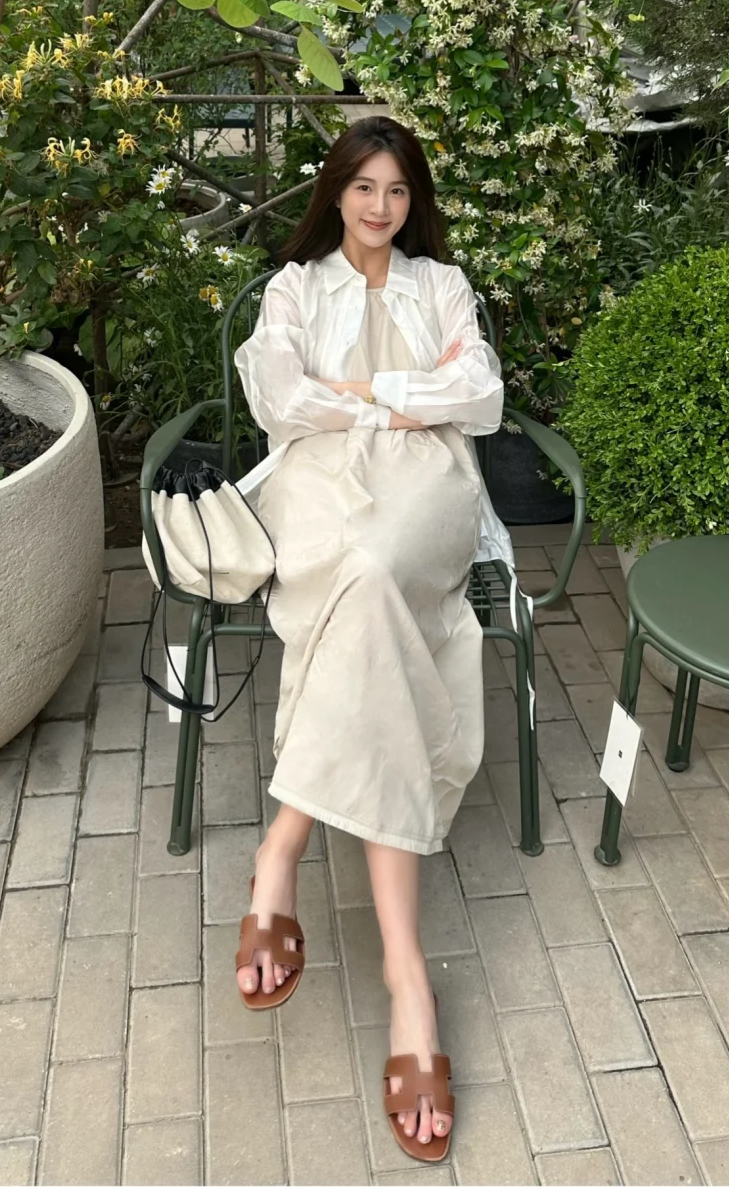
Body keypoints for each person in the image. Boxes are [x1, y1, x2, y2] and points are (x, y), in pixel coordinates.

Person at [232, 116, 512, 1162]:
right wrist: (405, 398)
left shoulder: (444, 286)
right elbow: (279, 396)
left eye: (397, 190)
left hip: (427, 486)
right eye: (363, 188)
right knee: (364, 577)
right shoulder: (295, 289)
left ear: (412, 199)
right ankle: (408, 979)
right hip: (317, 486)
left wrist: (359, 394)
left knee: (380, 566)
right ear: (337, 192)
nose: (380, 208)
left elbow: (478, 395)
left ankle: (282, 850)